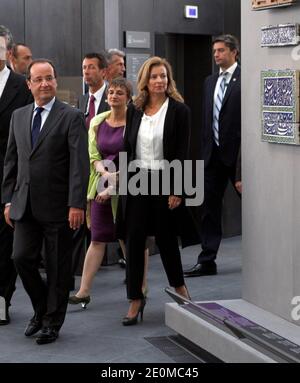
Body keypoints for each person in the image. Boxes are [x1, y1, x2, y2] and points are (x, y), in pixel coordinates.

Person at [1, 59, 89, 344]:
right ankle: (41, 309)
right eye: (38, 79)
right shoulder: (19, 115)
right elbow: (11, 162)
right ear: (29, 84)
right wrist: (7, 201)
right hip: (23, 204)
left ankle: (52, 322)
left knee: (57, 267)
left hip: (59, 207)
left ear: (56, 80)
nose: (44, 84)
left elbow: (80, 164)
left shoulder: (71, 116)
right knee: (21, 258)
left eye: (49, 78)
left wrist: (77, 204)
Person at [121, 56, 199, 326]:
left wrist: (178, 189)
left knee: (167, 240)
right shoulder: (134, 109)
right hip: (137, 181)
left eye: (163, 76)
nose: (159, 81)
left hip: (165, 181)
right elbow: (127, 148)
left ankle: (180, 289)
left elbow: (182, 153)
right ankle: (135, 299)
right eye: (154, 76)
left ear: (169, 80)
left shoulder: (179, 110)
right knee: (134, 241)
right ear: (145, 80)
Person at [69, 77, 136, 307]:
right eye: (112, 92)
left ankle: (139, 288)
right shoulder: (97, 121)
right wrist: (105, 175)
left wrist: (114, 182)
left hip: (129, 185)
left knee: (129, 240)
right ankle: (83, 291)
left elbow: (136, 157)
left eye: (120, 93)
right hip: (100, 183)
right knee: (97, 238)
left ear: (128, 97)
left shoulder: (134, 123)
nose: (114, 96)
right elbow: (94, 156)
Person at [184, 35, 241, 278]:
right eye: (214, 51)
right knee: (208, 210)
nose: (216, 55)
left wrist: (241, 168)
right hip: (212, 157)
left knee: (256, 208)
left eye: (221, 50)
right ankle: (207, 260)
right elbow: (207, 120)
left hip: (238, 158)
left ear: (234, 52)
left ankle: (268, 258)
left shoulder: (245, 79)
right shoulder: (210, 81)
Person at [0, 29, 32, 326]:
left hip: (9, 177)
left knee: (6, 243)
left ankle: (2, 300)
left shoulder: (22, 86)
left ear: (8, 52)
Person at [70, 52, 110, 290]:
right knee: (82, 225)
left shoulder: (113, 97)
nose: (86, 72)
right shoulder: (83, 101)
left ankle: (137, 280)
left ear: (103, 71)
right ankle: (76, 284)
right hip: (84, 169)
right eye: (84, 67)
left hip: (108, 168)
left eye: (91, 67)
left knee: (114, 227)